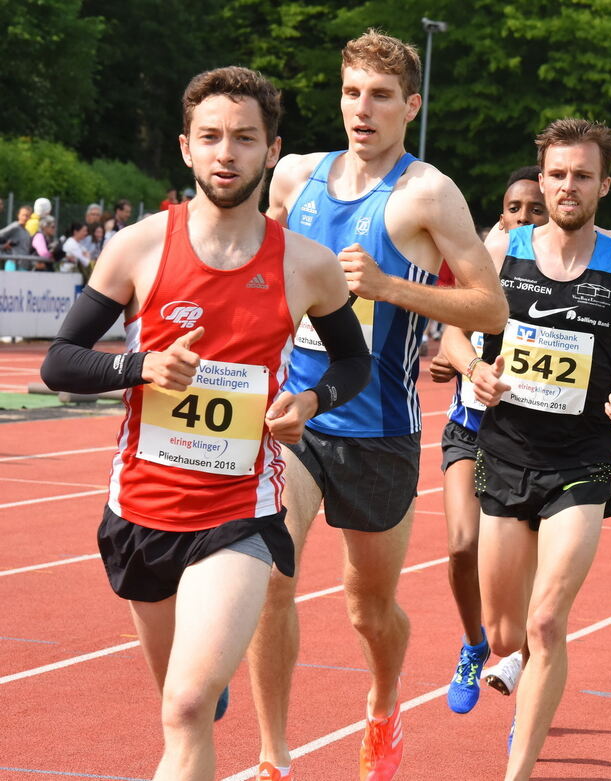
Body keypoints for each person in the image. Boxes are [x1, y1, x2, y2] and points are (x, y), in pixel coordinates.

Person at [39, 65, 371, 781]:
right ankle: (203, 683)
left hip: (239, 511)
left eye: (245, 138)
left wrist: (311, 402)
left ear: (271, 150)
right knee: (183, 699)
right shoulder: (138, 246)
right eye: (211, 137)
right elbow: (60, 363)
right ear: (186, 147)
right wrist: (141, 367)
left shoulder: (307, 265)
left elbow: (354, 363)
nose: (227, 153)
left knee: (186, 707)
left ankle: (202, 689)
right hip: (141, 511)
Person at [246, 30, 508, 781]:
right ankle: (273, 754)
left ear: (410, 106)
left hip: (380, 428)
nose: (363, 109)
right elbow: (259, 270)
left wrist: (390, 287)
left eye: (382, 96)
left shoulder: (428, 193)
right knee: (270, 575)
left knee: (368, 609)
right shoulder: (295, 176)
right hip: (296, 415)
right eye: (352, 93)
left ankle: (384, 702)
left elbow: (490, 308)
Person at [443, 118, 611, 781]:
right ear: (541, 181)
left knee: (544, 623)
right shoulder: (502, 248)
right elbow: (453, 331)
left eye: (583, 176)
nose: (569, 186)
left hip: (582, 461)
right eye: (558, 174)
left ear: (604, 186)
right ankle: (497, 655)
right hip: (505, 452)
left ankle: (519, 766)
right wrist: (473, 370)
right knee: (505, 631)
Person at [428, 164, 548, 714]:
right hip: (471, 428)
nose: (523, 217)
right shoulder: (483, 264)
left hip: (532, 440)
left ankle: (525, 668)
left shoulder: (567, 275)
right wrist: (462, 364)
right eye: (514, 208)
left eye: (535, 209)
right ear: (501, 214)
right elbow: (453, 336)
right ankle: (474, 643)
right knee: (461, 545)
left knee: (524, 575)